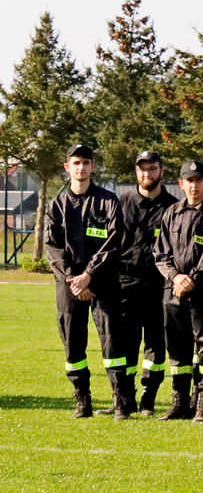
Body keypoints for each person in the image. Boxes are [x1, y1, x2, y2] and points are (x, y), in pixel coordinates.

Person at [46, 144, 130, 418]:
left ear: (93, 167)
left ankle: (121, 403)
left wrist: (89, 275)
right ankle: (82, 401)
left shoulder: (108, 201)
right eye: (76, 162)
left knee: (113, 342)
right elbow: (53, 248)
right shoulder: (56, 205)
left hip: (103, 282)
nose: (81, 167)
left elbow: (113, 242)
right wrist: (73, 279)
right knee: (72, 342)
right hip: (69, 285)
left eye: (86, 162)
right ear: (67, 167)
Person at [153, 161, 203, 421]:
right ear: (181, 184)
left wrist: (192, 279)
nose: (194, 185)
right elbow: (160, 253)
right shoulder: (172, 213)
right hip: (174, 292)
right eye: (189, 180)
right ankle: (180, 403)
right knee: (178, 350)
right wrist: (175, 277)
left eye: (199, 180)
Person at [115, 149, 177, 415]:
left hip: (159, 287)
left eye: (152, 168)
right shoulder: (121, 204)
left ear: (161, 171)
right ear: (136, 172)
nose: (147, 173)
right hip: (125, 285)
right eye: (142, 169)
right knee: (125, 344)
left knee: (156, 345)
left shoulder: (173, 207)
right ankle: (125, 399)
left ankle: (148, 399)